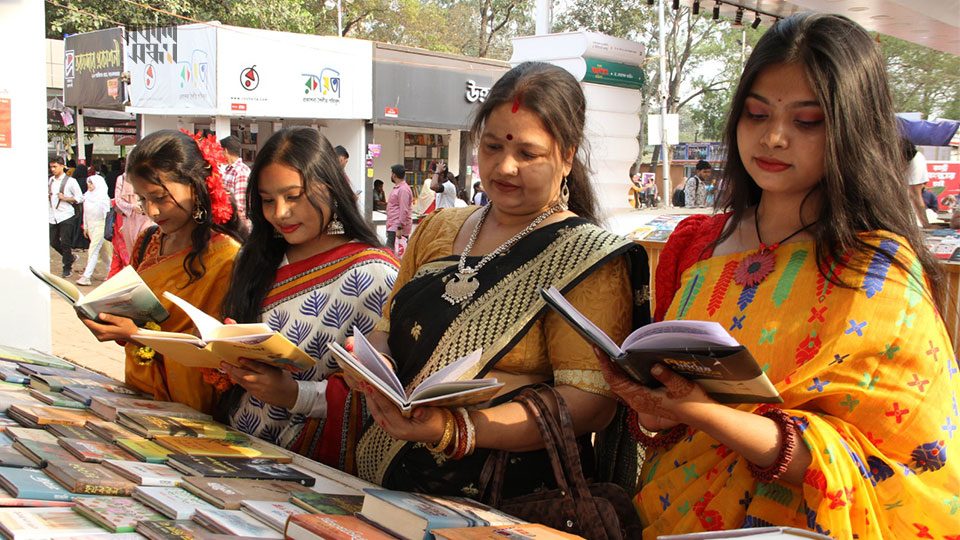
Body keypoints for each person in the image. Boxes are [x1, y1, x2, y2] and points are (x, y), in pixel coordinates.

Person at [596, 13, 960, 538]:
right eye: (756, 113)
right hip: (673, 517)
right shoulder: (697, 244)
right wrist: (652, 410)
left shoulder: (878, 273)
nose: (774, 137)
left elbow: (891, 465)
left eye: (807, 120)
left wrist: (702, 412)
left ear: (852, 129)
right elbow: (664, 426)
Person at [351, 61, 648, 497]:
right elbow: (386, 327)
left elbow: (589, 404)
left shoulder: (584, 257)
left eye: (527, 154)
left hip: (505, 496)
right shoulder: (439, 229)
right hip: (387, 471)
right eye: (491, 147)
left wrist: (458, 429)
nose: (505, 167)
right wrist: (375, 368)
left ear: (567, 157)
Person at [220, 127, 398, 467]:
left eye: (294, 196)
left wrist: (293, 395)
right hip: (237, 445)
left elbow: (380, 395)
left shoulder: (374, 274)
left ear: (330, 188)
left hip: (307, 465)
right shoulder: (255, 258)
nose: (280, 213)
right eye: (268, 201)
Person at [80, 130, 246, 415]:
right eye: (143, 200)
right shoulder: (148, 241)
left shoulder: (226, 256)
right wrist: (111, 322)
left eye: (159, 197)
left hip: (191, 405)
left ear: (196, 185)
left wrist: (139, 335)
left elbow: (215, 350)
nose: (152, 211)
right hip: (140, 390)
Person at [108, 163, 154, 277]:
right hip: (129, 219)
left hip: (147, 218)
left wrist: (144, 206)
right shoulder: (122, 179)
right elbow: (118, 200)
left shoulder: (149, 176)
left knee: (147, 248)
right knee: (132, 252)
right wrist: (132, 207)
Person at [76, 168, 113, 286]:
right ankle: (112, 273)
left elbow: (107, 215)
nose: (89, 185)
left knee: (93, 250)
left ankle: (86, 276)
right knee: (104, 252)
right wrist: (85, 227)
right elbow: (85, 214)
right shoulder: (87, 196)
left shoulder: (103, 199)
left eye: (91, 183)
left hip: (100, 226)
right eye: (88, 183)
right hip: (91, 227)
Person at [48, 156, 83, 278]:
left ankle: (67, 267)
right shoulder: (50, 180)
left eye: (55, 166)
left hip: (66, 214)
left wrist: (66, 198)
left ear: (62, 166)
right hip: (52, 215)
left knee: (65, 243)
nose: (52, 169)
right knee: (53, 241)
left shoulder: (71, 181)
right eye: (51, 167)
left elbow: (80, 197)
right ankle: (70, 257)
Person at [219, 135, 252, 231]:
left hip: (238, 227)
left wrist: (239, 230)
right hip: (229, 223)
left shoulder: (241, 172)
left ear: (225, 151)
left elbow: (240, 205)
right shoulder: (228, 170)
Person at [903, 139, 931, 227]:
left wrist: (926, 225)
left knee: (914, 194)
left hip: (910, 157)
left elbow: (915, 195)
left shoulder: (916, 161)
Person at [385, 164, 413, 254]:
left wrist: (400, 227)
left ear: (394, 175)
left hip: (397, 228)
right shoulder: (399, 188)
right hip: (393, 225)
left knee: (393, 253)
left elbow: (403, 209)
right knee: (392, 252)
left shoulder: (403, 189)